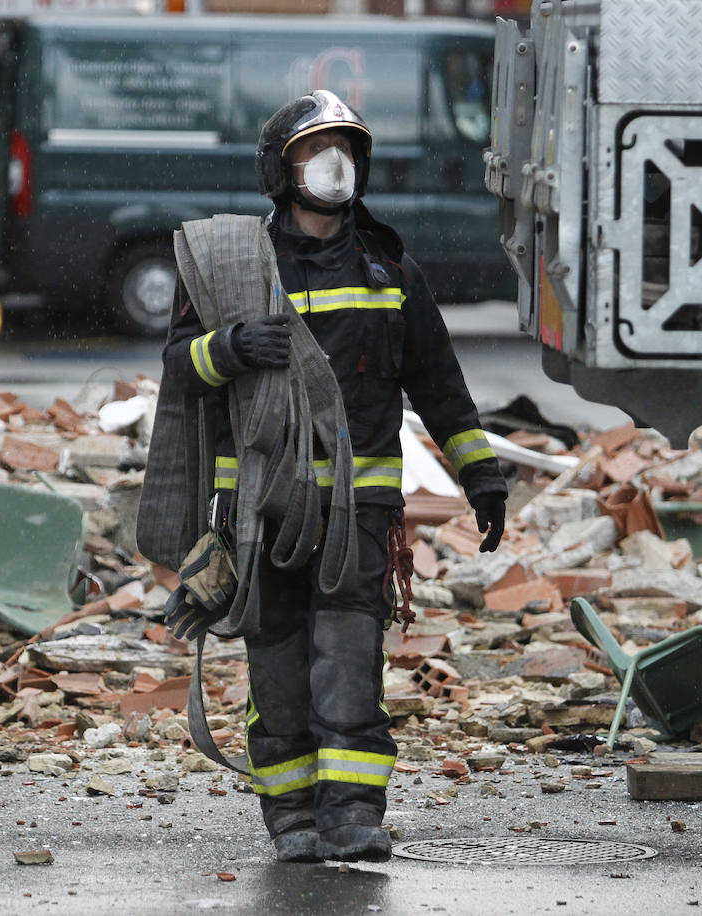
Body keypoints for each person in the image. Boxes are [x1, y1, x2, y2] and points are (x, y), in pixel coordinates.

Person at [148, 91, 508, 864]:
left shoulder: (388, 267)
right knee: (277, 673)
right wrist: (232, 347)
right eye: (317, 149)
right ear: (283, 170)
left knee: (349, 669)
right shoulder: (231, 264)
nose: (334, 165)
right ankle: (292, 819)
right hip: (259, 513)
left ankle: (353, 815)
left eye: (345, 148)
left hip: (358, 515)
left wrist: (484, 478)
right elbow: (180, 370)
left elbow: (440, 384)